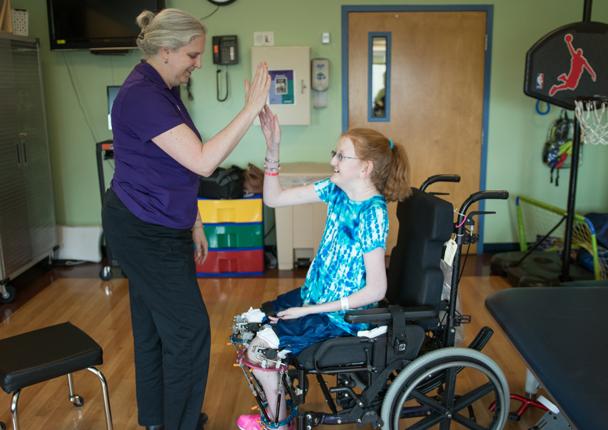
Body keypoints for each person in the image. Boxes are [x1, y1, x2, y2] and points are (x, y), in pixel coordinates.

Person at [101, 8, 270, 430]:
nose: (198, 62)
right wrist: (250, 109)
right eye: (192, 55)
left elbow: (172, 166)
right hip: (143, 229)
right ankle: (179, 423)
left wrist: (192, 220)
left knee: (157, 327)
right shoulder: (143, 95)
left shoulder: (162, 88)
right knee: (189, 331)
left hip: (159, 223)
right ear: (166, 50)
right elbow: (201, 162)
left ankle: (160, 419)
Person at [235, 106, 411, 430]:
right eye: (336, 154)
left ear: (365, 168)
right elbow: (273, 199)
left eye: (341, 156)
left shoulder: (372, 213)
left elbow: (376, 290)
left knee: (259, 352)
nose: (333, 162)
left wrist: (309, 311)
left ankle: (275, 423)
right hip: (314, 297)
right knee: (252, 322)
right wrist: (273, 148)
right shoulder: (336, 188)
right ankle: (279, 405)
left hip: (338, 316)